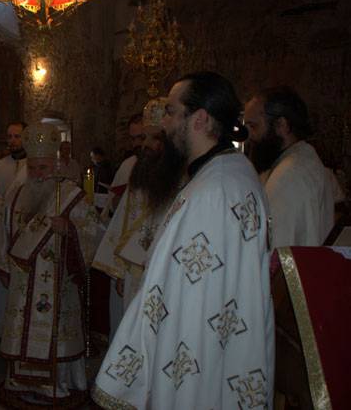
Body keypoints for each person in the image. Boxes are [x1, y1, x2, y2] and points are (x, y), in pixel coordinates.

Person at [93, 72, 275, 409]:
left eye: (171, 112)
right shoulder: (229, 172)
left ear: (200, 119)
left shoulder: (213, 190)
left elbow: (183, 299)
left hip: (198, 354)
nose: (164, 123)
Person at [0, 122, 104, 408]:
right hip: (22, 282)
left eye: (43, 168)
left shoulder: (71, 195)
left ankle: (56, 384)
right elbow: (2, 232)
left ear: (55, 166)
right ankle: (20, 381)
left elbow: (94, 233)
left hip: (58, 283)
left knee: (54, 334)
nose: (38, 174)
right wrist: (4, 268)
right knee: (22, 330)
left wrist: (69, 230)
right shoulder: (16, 195)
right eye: (33, 168)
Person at [92, 97, 183, 341]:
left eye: (155, 138)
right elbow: (122, 221)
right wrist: (120, 271)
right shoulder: (139, 171)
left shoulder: (185, 176)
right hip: (134, 270)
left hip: (167, 272)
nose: (146, 145)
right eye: (144, 137)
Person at [244, 86, 335, 247]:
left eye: (254, 126)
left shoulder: (288, 175)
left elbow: (278, 248)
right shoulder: (306, 160)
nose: (249, 136)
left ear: (282, 125)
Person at [0, 121, 27, 344]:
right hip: (4, 229)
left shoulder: (33, 165)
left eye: (17, 136)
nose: (12, 141)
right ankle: (1, 330)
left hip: (25, 231)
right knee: (3, 279)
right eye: (9, 136)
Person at [101, 114, 145, 219]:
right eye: (133, 139)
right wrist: (120, 198)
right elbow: (111, 206)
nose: (136, 144)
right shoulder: (127, 165)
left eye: (141, 137)